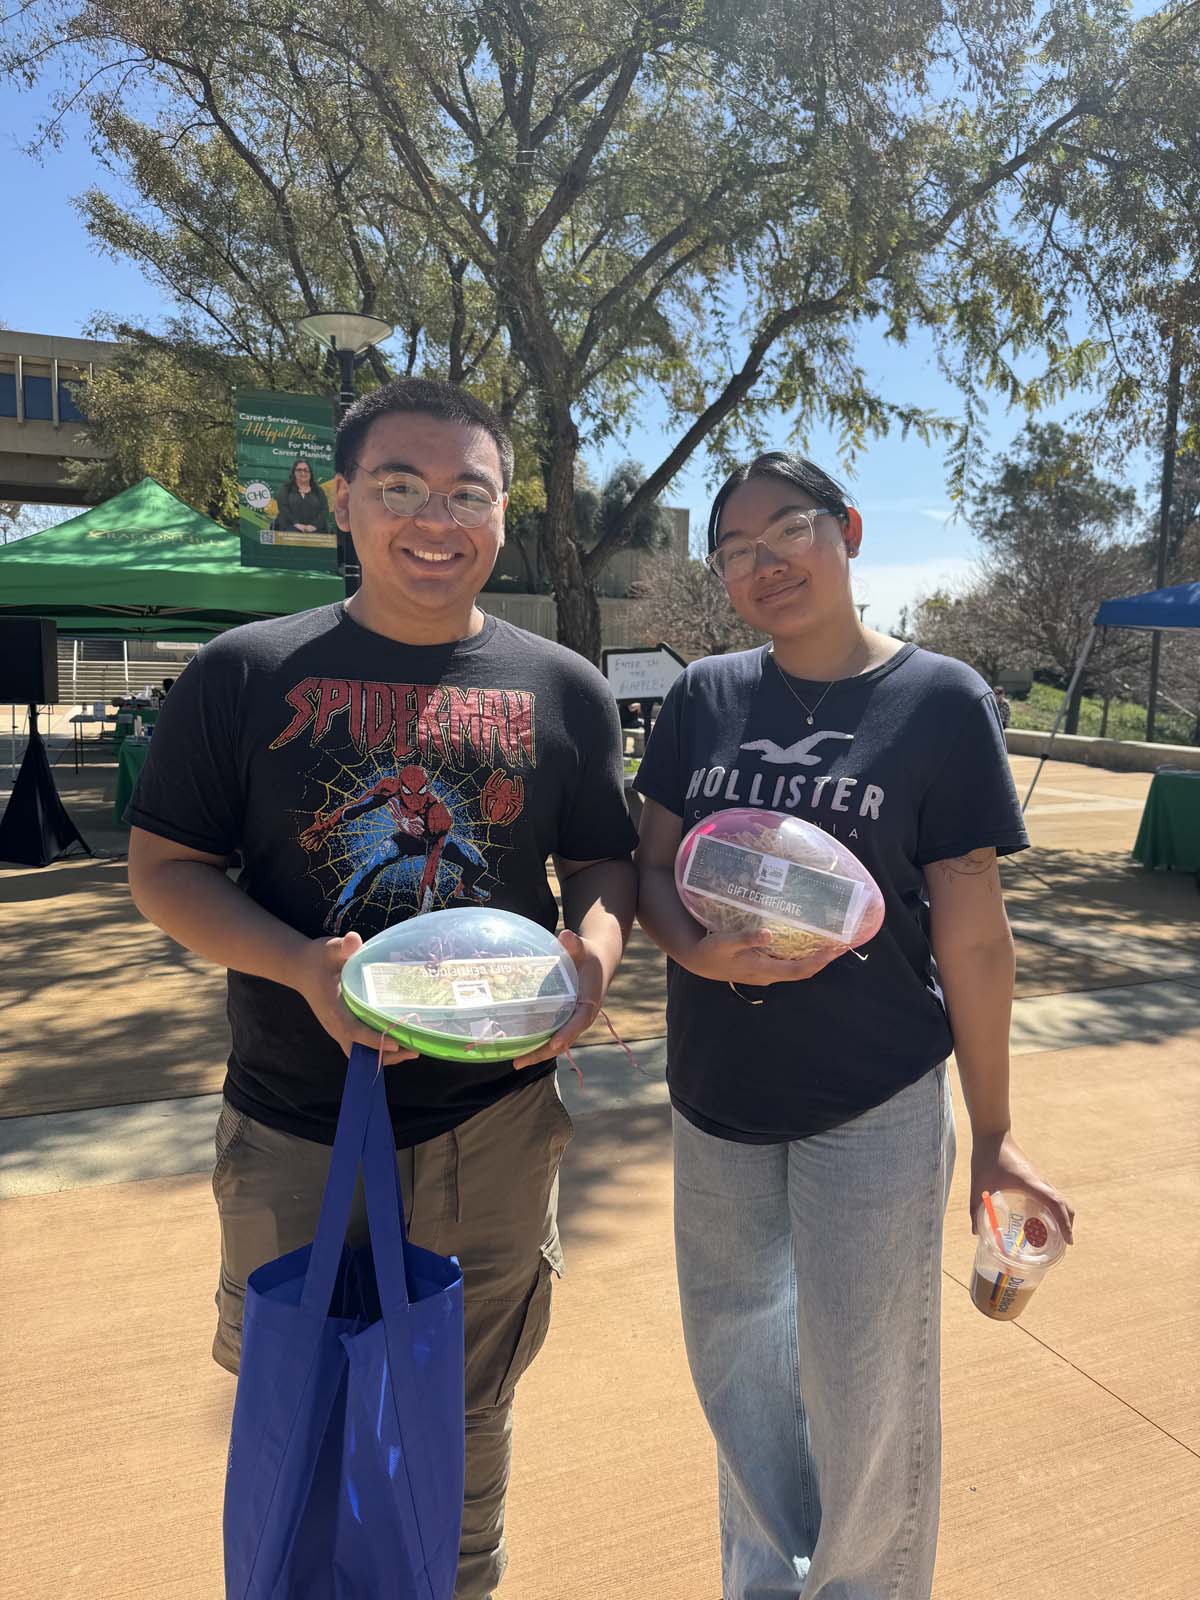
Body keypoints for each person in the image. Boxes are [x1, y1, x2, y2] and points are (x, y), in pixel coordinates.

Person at [126, 378, 638, 1599]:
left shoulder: (564, 687)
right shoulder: (244, 671)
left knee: (462, 1433)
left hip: (495, 1129)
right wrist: (300, 967)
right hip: (298, 1123)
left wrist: (596, 961)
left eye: (469, 491)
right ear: (342, 500)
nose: (434, 516)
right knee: (298, 1418)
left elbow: (603, 858)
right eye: (400, 486)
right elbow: (164, 870)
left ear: (505, 512)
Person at [633, 451, 1073, 1600]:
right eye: (736, 550)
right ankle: (766, 1583)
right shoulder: (703, 698)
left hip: (871, 1097)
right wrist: (690, 946)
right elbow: (653, 865)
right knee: (737, 1369)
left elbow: (974, 934)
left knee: (864, 1382)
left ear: (849, 531)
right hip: (717, 1096)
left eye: (789, 532)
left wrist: (995, 1130)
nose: (765, 563)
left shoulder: (938, 702)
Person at [274, 456, 331, 533]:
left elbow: (324, 510)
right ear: (294, 473)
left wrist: (314, 525)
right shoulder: (286, 488)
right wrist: (296, 524)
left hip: (315, 530)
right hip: (289, 529)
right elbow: (283, 508)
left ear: (310, 473)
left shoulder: (318, 490)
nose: (303, 473)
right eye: (299, 470)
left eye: (306, 470)